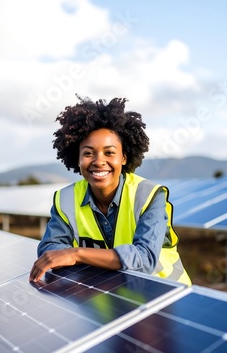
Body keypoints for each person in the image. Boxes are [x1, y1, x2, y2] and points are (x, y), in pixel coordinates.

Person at [29, 96, 191, 286]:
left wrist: (76, 253)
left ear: (123, 157)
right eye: (88, 153)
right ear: (77, 159)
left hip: (163, 293)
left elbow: (144, 259)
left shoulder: (148, 195)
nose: (98, 161)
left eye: (109, 152)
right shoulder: (65, 199)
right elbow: (50, 249)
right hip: (109, 294)